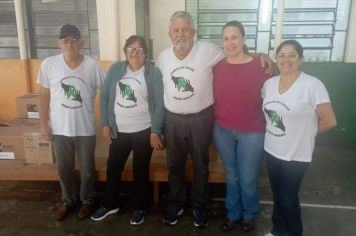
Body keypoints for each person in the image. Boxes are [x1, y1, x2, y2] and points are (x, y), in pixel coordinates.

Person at [155, 11, 272, 228]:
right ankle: (176, 205)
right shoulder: (162, 58)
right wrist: (156, 127)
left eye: (184, 29)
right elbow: (157, 93)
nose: (180, 34)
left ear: (193, 32)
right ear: (170, 34)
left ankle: (199, 207)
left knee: (201, 165)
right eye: (176, 30)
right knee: (174, 165)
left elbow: (236, 55)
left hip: (201, 118)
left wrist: (261, 55)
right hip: (172, 120)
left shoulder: (209, 51)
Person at [262, 40, 337, 236]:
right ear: (276, 58)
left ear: (301, 59)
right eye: (281, 55)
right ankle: (277, 230)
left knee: (288, 197)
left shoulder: (312, 85)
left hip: (297, 155)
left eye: (292, 55)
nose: (286, 60)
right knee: (277, 196)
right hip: (271, 150)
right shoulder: (268, 84)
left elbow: (329, 120)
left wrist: (305, 133)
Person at [90, 35, 164, 225]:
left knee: (141, 170)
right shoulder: (115, 69)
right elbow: (105, 96)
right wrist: (105, 123)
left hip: (143, 130)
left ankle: (139, 207)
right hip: (119, 130)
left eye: (139, 49)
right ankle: (109, 204)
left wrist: (155, 131)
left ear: (145, 53)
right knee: (113, 167)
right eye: (131, 49)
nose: (135, 53)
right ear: (125, 52)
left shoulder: (153, 73)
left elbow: (159, 105)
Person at [38, 24, 105, 221]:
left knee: (87, 170)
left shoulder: (93, 65)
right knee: (64, 169)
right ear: (59, 44)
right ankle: (68, 201)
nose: (69, 43)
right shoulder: (49, 64)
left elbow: (107, 91)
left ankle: (87, 201)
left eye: (73, 39)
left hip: (85, 128)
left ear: (81, 43)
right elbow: (43, 96)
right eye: (65, 40)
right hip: (59, 129)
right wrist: (43, 124)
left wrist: (108, 119)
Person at [213, 20, 270, 232]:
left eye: (234, 37)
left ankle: (249, 214)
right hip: (222, 130)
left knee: (247, 177)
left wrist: (262, 55)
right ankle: (233, 213)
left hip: (253, 132)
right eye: (226, 38)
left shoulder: (261, 66)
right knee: (232, 175)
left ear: (244, 38)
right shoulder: (217, 67)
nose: (230, 42)